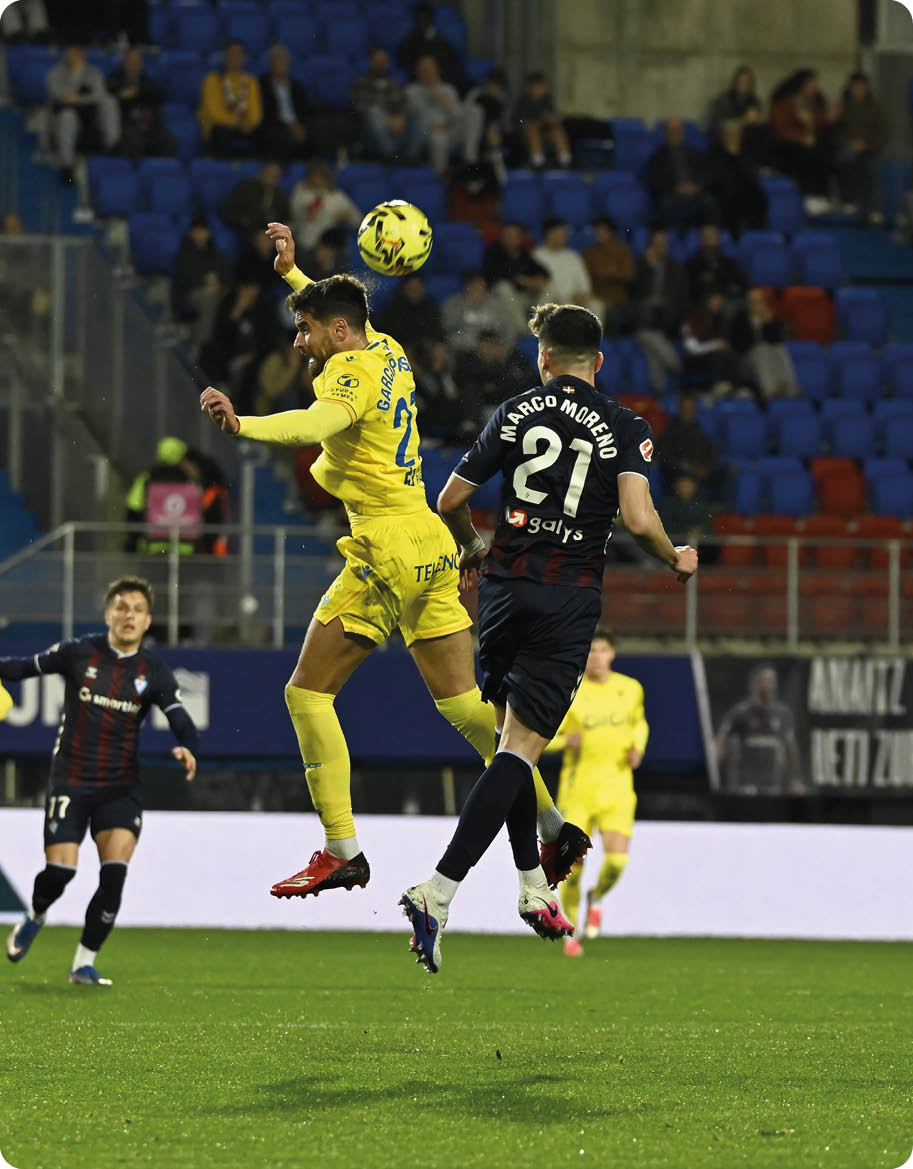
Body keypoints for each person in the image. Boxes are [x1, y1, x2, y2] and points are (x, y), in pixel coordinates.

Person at [199, 222, 588, 902]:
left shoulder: (346, 369)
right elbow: (342, 316)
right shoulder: (388, 348)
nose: (300, 344)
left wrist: (244, 425)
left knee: (306, 692)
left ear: (338, 333)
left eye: (305, 331)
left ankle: (341, 848)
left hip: (385, 546)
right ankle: (552, 823)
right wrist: (293, 276)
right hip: (431, 538)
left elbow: (315, 426)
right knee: (466, 706)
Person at [399, 303, 698, 973]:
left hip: (503, 590)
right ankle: (437, 891)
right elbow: (635, 515)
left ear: (543, 359)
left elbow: (447, 500)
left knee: (511, 749)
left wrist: (474, 544)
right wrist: (672, 554)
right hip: (565, 599)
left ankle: (533, 885)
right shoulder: (625, 425)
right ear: (598, 362)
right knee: (519, 751)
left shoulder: (513, 412)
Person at [3, 576, 198, 986]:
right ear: (108, 613)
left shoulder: (153, 671)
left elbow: (179, 716)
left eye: (137, 610)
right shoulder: (79, 652)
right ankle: (36, 915)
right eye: (121, 607)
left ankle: (83, 964)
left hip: (120, 787)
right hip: (70, 780)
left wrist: (187, 745)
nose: (128, 615)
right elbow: (24, 668)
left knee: (113, 876)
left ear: (148, 621)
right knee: (60, 872)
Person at [544, 629, 648, 957]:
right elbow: (542, 738)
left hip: (617, 789)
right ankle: (571, 931)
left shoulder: (630, 689)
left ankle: (598, 897)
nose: (596, 657)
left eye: (602, 650)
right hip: (578, 792)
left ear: (612, 654)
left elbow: (639, 723)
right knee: (572, 868)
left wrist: (638, 747)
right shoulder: (570, 692)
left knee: (616, 862)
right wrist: (564, 742)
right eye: (590, 651)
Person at [715, 665, 800, 794]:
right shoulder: (740, 713)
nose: (767, 685)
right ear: (755, 684)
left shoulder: (783, 714)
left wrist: (795, 778)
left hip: (772, 784)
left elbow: (790, 748)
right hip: (745, 783)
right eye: (763, 681)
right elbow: (721, 743)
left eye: (771, 682)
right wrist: (713, 769)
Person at [46, 44, 120, 179]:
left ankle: (113, 147)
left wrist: (79, 99)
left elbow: (99, 95)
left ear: (83, 55)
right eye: (71, 52)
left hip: (90, 115)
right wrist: (75, 78)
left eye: (78, 53)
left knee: (109, 102)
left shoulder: (94, 72)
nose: (75, 56)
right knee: (68, 117)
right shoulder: (55, 73)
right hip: (64, 115)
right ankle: (67, 165)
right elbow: (59, 95)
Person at [632, 228, 688, 392]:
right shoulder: (641, 265)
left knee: (648, 342)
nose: (660, 248)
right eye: (657, 245)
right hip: (645, 313)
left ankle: (664, 379)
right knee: (645, 313)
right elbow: (635, 292)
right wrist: (648, 266)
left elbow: (680, 295)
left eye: (663, 244)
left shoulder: (674, 267)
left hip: (667, 317)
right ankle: (671, 369)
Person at [769, 69, 832, 212]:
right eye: (811, 84)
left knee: (821, 152)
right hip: (786, 148)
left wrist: (811, 123)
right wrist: (801, 138)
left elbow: (820, 123)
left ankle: (821, 196)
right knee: (807, 155)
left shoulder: (815, 103)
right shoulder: (784, 103)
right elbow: (780, 130)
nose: (815, 88)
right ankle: (808, 195)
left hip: (810, 147)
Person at [351, 47, 423, 162]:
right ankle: (390, 155)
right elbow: (360, 108)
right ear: (371, 62)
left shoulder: (395, 84)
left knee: (418, 111)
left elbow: (404, 104)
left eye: (383, 61)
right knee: (373, 112)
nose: (380, 64)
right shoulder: (360, 83)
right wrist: (388, 117)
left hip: (397, 128)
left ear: (388, 63)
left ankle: (411, 157)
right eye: (377, 61)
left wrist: (401, 116)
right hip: (371, 133)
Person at [832, 72, 888, 221]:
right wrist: (849, 142)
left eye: (861, 87)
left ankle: (875, 210)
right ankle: (848, 201)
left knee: (874, 167)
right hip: (848, 148)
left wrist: (866, 144)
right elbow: (834, 133)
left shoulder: (876, 109)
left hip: (871, 150)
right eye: (855, 87)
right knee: (843, 160)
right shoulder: (842, 107)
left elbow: (883, 135)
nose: (858, 90)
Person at [728, 286, 800, 402]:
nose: (756, 305)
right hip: (745, 362)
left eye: (759, 301)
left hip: (766, 358)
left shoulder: (770, 318)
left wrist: (768, 323)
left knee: (779, 349)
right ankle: (770, 391)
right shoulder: (740, 320)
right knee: (760, 350)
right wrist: (756, 326)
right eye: (753, 302)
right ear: (748, 304)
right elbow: (739, 345)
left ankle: (791, 388)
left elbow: (779, 339)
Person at [171, 218, 232, 352]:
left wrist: (219, 284)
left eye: (203, 231)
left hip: (215, 290)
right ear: (192, 233)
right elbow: (184, 277)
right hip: (189, 293)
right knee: (208, 299)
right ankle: (201, 346)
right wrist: (204, 284)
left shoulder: (214, 252)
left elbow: (226, 272)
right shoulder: (184, 252)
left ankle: (226, 348)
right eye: (197, 231)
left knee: (230, 299)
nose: (201, 234)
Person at [645, 117, 716, 228]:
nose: (674, 133)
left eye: (677, 129)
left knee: (710, 203)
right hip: (672, 193)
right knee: (665, 206)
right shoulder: (658, 156)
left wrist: (695, 187)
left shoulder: (695, 153)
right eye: (671, 130)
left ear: (682, 131)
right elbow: (654, 180)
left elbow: (706, 174)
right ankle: (670, 237)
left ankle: (707, 237)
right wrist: (676, 188)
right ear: (666, 132)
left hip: (695, 191)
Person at [107, 47, 174, 161]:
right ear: (124, 62)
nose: (134, 64)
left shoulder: (146, 79)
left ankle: (159, 173)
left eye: (137, 61)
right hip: (126, 122)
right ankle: (137, 173)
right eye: (131, 61)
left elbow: (159, 95)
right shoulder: (115, 78)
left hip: (149, 122)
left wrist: (137, 92)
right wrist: (122, 96)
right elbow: (111, 94)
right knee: (133, 141)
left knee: (168, 141)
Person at [198, 41, 262, 157]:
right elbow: (214, 113)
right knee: (221, 134)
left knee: (264, 133)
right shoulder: (212, 80)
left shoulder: (251, 81)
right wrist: (237, 122)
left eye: (239, 54)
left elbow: (256, 111)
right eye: (232, 54)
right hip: (221, 126)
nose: (235, 57)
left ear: (244, 57)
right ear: (225, 57)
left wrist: (250, 123)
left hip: (245, 126)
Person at [706, 120, 768, 236]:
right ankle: (734, 235)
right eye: (729, 134)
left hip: (746, 189)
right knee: (732, 201)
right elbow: (717, 175)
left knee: (759, 197)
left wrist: (737, 155)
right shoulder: (716, 152)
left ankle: (755, 233)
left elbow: (750, 173)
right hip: (724, 190)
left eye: (736, 134)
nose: (733, 137)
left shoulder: (745, 151)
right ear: (723, 136)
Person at [532, 217, 600, 317]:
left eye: (565, 234)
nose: (565, 237)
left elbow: (584, 284)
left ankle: (592, 332)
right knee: (549, 293)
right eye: (561, 234)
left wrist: (582, 294)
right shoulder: (536, 255)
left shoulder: (573, 256)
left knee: (597, 305)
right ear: (549, 234)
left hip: (572, 299)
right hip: (548, 300)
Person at [406, 55, 462, 175]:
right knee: (438, 139)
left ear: (437, 69)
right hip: (425, 132)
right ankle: (440, 176)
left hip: (450, 129)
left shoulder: (448, 89)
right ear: (418, 72)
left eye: (430, 69)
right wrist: (431, 128)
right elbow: (410, 119)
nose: (427, 72)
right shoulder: (411, 91)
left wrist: (443, 100)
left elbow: (458, 116)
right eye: (423, 69)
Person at [257, 44, 313, 161]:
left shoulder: (297, 87)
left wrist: (301, 126)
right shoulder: (262, 85)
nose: (282, 65)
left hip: (297, 126)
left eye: (285, 61)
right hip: (276, 126)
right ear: (270, 64)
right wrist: (289, 127)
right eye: (278, 61)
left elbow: (305, 111)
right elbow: (266, 113)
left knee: (314, 133)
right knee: (276, 137)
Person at [289, 161, 361, 252]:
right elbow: (293, 215)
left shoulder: (336, 196)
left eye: (320, 175)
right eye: (314, 175)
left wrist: (346, 216)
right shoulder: (301, 191)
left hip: (329, 248)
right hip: (306, 245)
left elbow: (357, 220)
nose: (317, 179)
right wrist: (306, 211)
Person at [581, 217, 635, 335]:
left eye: (603, 230)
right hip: (597, 298)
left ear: (611, 232)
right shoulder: (589, 253)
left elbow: (628, 275)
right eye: (597, 231)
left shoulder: (622, 250)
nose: (599, 234)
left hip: (619, 298)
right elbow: (585, 279)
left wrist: (611, 274)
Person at [442, 269, 518, 352]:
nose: (478, 288)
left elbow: (509, 328)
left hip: (495, 348)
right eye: (473, 285)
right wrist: (476, 344)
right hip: (467, 350)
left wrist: (503, 346)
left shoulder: (496, 304)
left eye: (480, 285)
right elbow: (448, 334)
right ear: (466, 286)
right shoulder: (453, 305)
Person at [395, 1, 465, 91]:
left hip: (444, 81)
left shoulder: (442, 40)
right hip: (420, 82)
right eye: (419, 18)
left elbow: (454, 63)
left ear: (432, 18)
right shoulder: (409, 41)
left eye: (426, 17)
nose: (422, 21)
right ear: (414, 19)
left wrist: (440, 76)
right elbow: (403, 62)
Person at [219, 161, 290, 245]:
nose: (272, 178)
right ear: (261, 173)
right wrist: (244, 221)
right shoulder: (246, 189)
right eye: (269, 174)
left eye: (276, 176)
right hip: (248, 232)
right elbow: (225, 209)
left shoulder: (280, 195)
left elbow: (286, 218)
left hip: (271, 234)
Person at [514, 71, 571, 169]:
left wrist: (550, 119)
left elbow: (552, 116)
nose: (542, 89)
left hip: (545, 131)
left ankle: (565, 160)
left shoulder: (547, 100)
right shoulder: (524, 101)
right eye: (538, 86)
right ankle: (538, 162)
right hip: (527, 132)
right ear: (531, 87)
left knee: (557, 131)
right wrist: (527, 122)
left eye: (543, 86)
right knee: (532, 130)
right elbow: (517, 120)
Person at [373, 272, 444, 349]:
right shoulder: (393, 308)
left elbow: (437, 332)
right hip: (401, 347)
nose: (415, 291)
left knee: (439, 349)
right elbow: (392, 334)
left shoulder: (431, 307)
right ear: (404, 288)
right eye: (412, 288)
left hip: (425, 345)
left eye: (418, 288)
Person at [685, 223, 749, 305]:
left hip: (726, 302)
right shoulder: (691, 265)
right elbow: (687, 290)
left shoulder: (730, 263)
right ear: (700, 239)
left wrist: (722, 296)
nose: (708, 240)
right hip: (699, 303)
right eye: (705, 237)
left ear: (719, 238)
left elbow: (741, 285)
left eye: (711, 236)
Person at [463, 68, 510, 175]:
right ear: (487, 82)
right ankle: (471, 162)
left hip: (493, 135)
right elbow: (466, 119)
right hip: (472, 134)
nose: (494, 87)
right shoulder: (475, 94)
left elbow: (505, 123)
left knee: (494, 140)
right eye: (492, 83)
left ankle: (499, 180)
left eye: (498, 84)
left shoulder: (503, 99)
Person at [708, 66, 762, 140]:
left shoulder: (754, 102)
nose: (744, 85)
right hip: (724, 141)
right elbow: (717, 127)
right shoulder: (724, 101)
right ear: (735, 83)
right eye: (741, 82)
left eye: (747, 82)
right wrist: (743, 121)